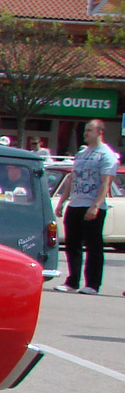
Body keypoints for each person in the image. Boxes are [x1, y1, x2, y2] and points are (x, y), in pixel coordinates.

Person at [52, 119, 119, 294]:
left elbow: (105, 184)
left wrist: (95, 206)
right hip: (76, 203)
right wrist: (63, 201)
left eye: (90, 130)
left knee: (93, 246)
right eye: (85, 130)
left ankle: (93, 284)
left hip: (92, 205)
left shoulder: (106, 155)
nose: (86, 133)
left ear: (99, 132)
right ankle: (72, 281)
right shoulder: (82, 153)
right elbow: (72, 178)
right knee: (72, 244)